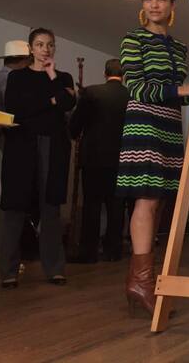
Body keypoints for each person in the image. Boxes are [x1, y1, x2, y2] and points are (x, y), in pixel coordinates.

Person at [117, 0, 189, 316]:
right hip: (143, 121)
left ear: (172, 5)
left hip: (170, 124)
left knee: (159, 203)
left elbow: (178, 94)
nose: (154, 5)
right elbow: (135, 86)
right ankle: (143, 283)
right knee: (147, 199)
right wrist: (183, 91)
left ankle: (138, 283)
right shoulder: (133, 39)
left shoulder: (180, 47)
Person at [0, 28, 76, 288]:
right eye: (40, 44)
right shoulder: (17, 77)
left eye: (50, 45)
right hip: (21, 147)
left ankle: (54, 269)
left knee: (51, 208)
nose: (46, 49)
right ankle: (8, 271)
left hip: (53, 147)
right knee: (15, 208)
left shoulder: (62, 76)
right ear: (31, 48)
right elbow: (16, 110)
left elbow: (68, 104)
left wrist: (52, 78)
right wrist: (52, 100)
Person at [69, 58, 130, 263]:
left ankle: (89, 252)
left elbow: (76, 124)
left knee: (92, 205)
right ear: (123, 75)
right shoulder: (131, 96)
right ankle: (113, 251)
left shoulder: (91, 93)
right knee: (116, 206)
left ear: (105, 73)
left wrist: (73, 132)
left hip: (93, 157)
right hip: (122, 158)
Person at [0, 40, 31, 277]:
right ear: (25, 61)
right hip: (4, 144)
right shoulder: (9, 80)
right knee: (2, 202)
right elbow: (3, 117)